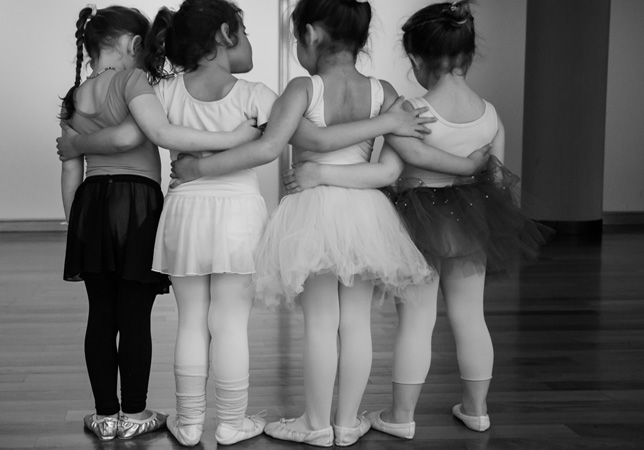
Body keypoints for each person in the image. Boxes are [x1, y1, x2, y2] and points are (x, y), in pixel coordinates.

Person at [167, 0, 486, 446]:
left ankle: (315, 424)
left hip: (313, 214)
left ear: (312, 35)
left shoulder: (303, 88)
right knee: (356, 323)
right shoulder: (384, 93)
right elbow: (390, 170)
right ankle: (348, 423)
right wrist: (405, 132)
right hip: (365, 215)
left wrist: (202, 169)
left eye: (297, 38)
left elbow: (298, 140)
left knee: (320, 321)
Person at [286, 1, 549, 439]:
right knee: (471, 316)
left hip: (419, 224)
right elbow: (496, 177)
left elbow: (390, 170)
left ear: (418, 59)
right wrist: (468, 169)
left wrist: (322, 173)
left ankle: (401, 416)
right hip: (474, 222)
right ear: (468, 55)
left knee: (416, 321)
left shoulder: (412, 111)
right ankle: (476, 409)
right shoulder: (490, 114)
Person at [58, 3, 259, 442]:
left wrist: (77, 225)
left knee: (100, 314)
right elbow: (154, 135)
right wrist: (230, 139)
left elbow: (70, 167)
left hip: (91, 205)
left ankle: (105, 416)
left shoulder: (74, 97)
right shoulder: (133, 81)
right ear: (133, 44)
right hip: (135, 203)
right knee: (134, 315)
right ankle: (134, 412)